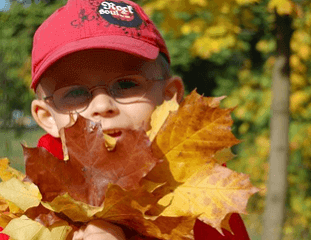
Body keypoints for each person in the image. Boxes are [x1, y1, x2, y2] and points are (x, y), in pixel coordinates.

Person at [0, 0, 251, 239]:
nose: (102, 105)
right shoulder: (26, 214)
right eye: (75, 93)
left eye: (127, 84)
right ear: (47, 118)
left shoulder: (204, 199)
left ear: (169, 97)